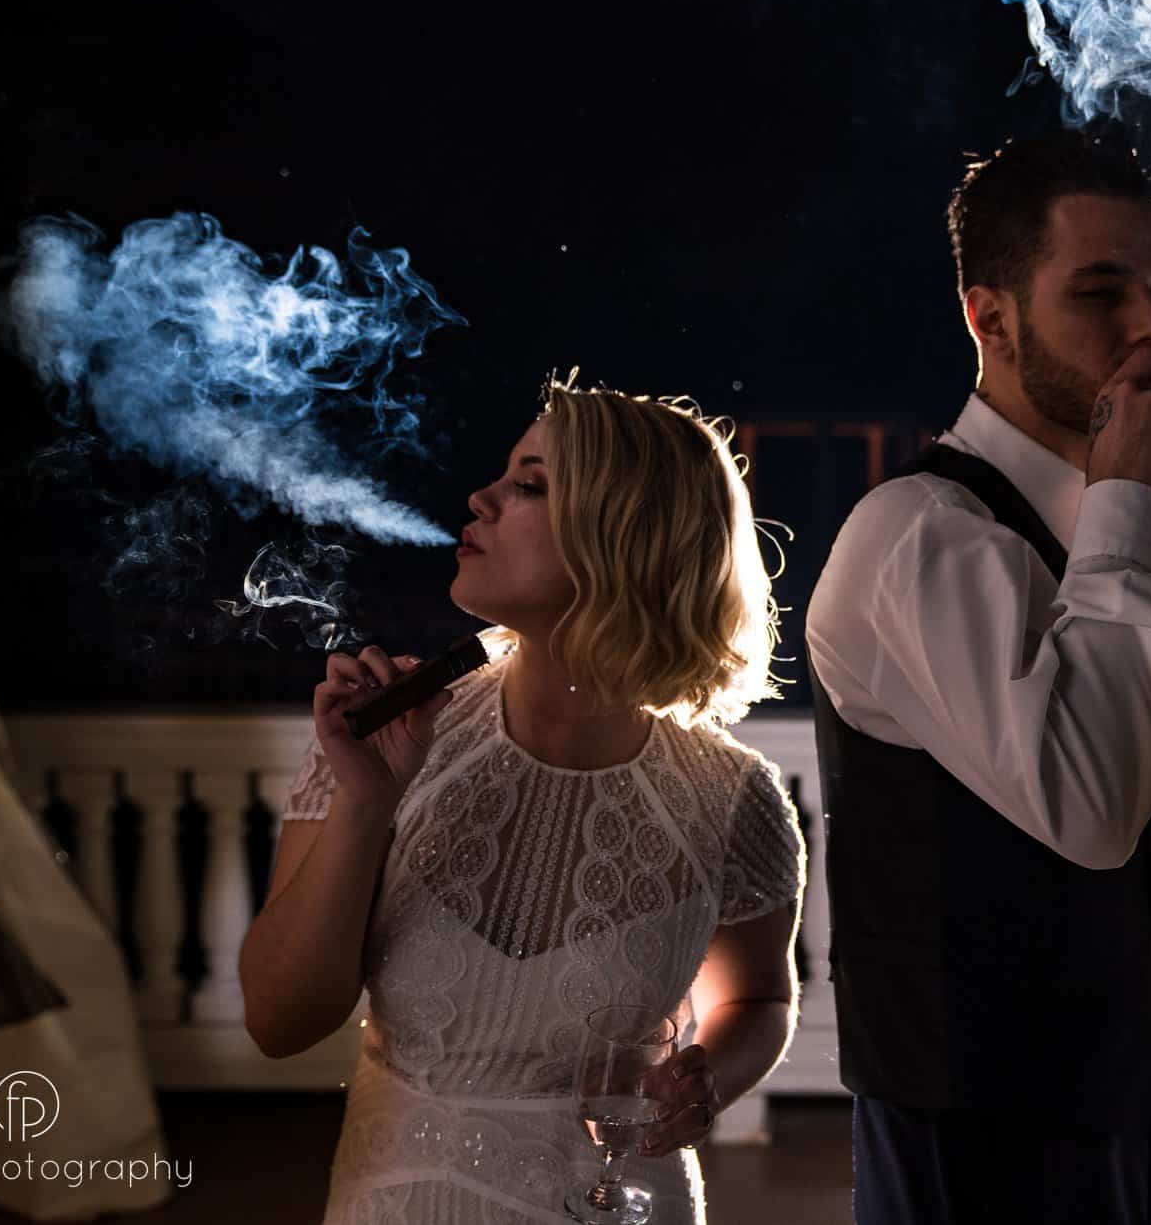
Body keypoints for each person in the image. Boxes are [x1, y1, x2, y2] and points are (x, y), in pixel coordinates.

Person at [240, 376, 808, 1225]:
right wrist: (367, 801)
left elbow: (761, 1000)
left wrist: (709, 1078)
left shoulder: (733, 799)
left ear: (625, 539)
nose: (481, 497)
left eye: (531, 483)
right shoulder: (389, 739)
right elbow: (280, 1020)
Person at [805, 128, 1151, 1224]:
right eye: (1100, 293)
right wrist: (1130, 496)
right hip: (974, 1131)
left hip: (1112, 1099)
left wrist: (1120, 511)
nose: (1149, 329)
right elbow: (1091, 812)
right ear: (986, 317)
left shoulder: (1093, 530)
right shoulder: (917, 535)